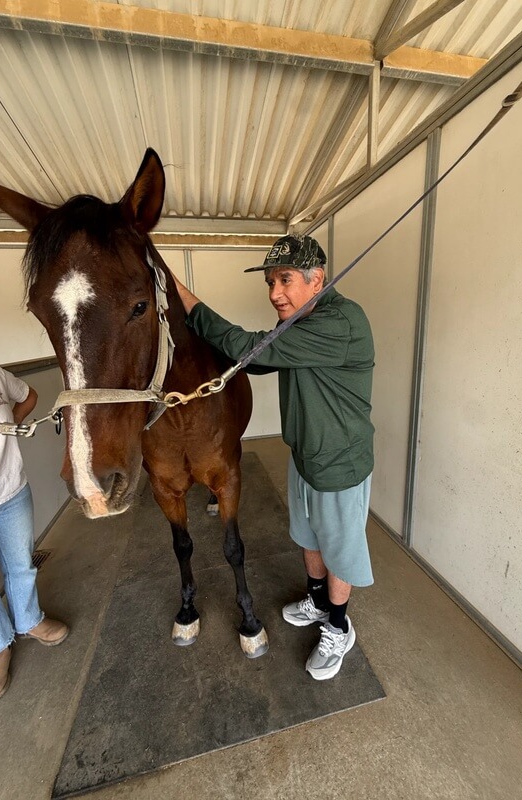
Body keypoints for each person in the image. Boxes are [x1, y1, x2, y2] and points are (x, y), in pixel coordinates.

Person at [173, 234, 375, 680]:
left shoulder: (339, 323)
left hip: (339, 463)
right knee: (309, 536)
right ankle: (318, 600)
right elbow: (258, 362)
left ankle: (339, 627)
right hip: (306, 455)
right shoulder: (303, 319)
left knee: (339, 548)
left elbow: (250, 350)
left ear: (316, 278)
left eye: (284, 280)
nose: (273, 293)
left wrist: (186, 299)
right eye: (270, 282)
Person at [0, 308, 69, 704]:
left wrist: (8, 430)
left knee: (20, 565)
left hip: (10, 491)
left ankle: (29, 621)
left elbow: (29, 396)